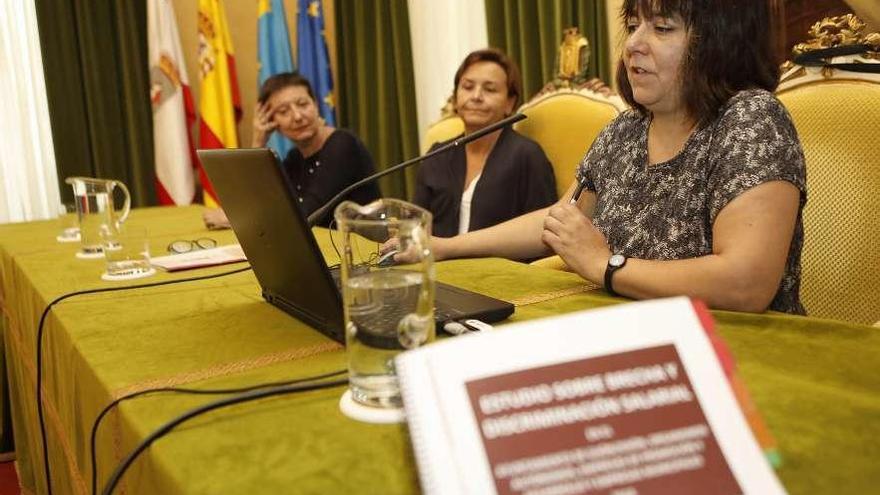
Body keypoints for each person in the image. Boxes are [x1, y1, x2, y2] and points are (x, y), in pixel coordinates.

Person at [401, 0, 807, 314]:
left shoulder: (751, 117)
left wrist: (604, 265)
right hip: (632, 333)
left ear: (721, 41)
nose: (633, 44)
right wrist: (444, 247)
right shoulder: (625, 128)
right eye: (633, 26)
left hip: (735, 350)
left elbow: (745, 284)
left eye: (662, 27)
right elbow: (559, 222)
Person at [203, 72, 380, 228]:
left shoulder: (342, 144)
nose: (297, 116)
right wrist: (258, 141)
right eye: (284, 111)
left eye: (303, 104)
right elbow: (260, 201)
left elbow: (307, 213)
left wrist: (238, 219)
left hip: (365, 251)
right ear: (272, 122)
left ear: (316, 105)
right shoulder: (294, 158)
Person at [413, 49, 557, 238]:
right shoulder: (437, 155)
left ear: (510, 104)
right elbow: (417, 227)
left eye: (489, 89)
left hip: (502, 266)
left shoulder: (527, 156)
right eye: (467, 87)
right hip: (440, 266)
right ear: (455, 98)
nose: (476, 96)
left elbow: (545, 232)